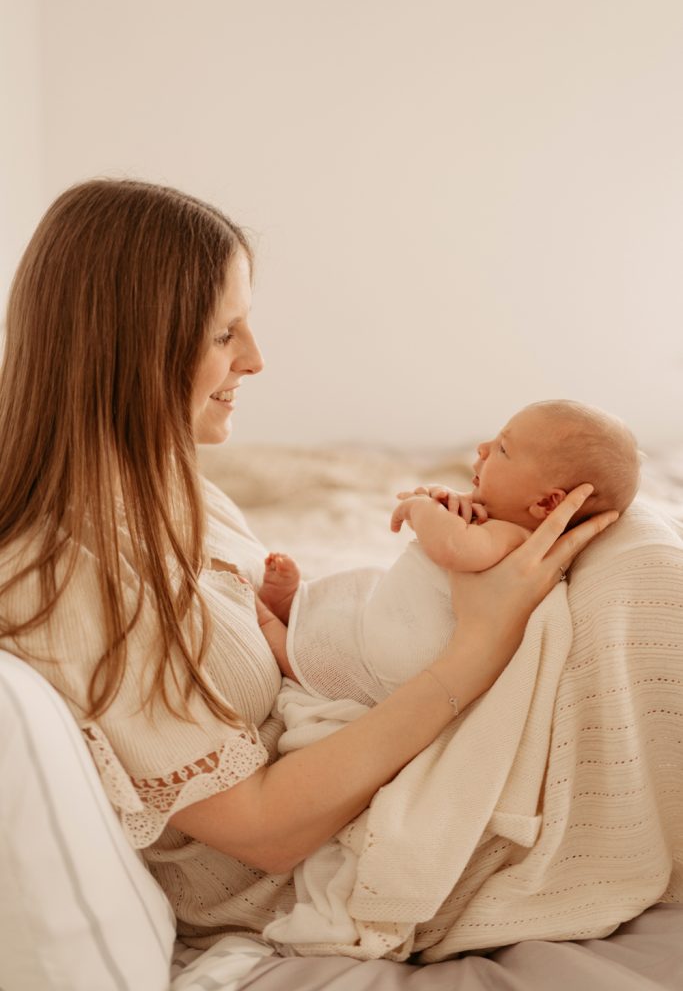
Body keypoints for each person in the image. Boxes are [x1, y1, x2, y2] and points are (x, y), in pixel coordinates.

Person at [0, 178, 618, 948]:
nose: (256, 359)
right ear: (128, 344)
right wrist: (476, 648)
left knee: (622, 560)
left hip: (372, 774)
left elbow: (286, 653)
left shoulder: (165, 483)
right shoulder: (63, 575)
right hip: (333, 865)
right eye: (225, 334)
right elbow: (261, 831)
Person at [255, 400, 640, 704]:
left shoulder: (514, 537)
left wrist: (423, 509)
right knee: (349, 606)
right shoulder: (496, 518)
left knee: (339, 660)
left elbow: (454, 548)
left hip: (404, 653)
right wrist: (448, 501)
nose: (484, 448)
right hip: (396, 616)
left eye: (503, 449)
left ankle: (280, 641)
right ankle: (296, 605)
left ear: (546, 504)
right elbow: (461, 531)